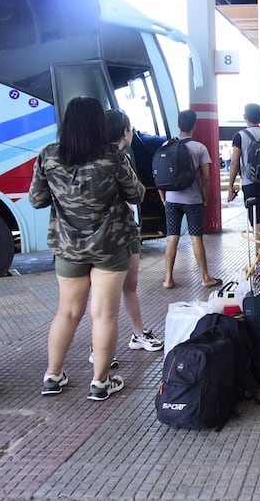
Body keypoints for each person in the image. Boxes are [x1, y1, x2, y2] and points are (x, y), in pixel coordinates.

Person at [29, 96, 144, 401]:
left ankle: (53, 376)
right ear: (97, 123)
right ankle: (100, 383)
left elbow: (37, 200)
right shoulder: (113, 157)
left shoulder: (49, 156)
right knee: (104, 314)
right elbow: (137, 195)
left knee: (66, 312)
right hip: (110, 247)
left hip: (68, 248)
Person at [103, 109, 162, 357]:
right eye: (130, 129)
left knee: (130, 286)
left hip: (123, 232)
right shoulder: (116, 159)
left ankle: (138, 333)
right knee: (108, 297)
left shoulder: (111, 157)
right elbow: (136, 194)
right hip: (113, 237)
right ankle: (102, 349)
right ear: (125, 132)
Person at [161, 110, 222, 289]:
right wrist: (204, 198)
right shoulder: (199, 148)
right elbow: (205, 178)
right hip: (193, 200)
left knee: (172, 236)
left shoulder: (166, 145)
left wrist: (164, 198)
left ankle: (168, 279)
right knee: (196, 238)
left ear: (179, 124)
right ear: (194, 125)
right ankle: (205, 277)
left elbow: (160, 175)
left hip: (171, 199)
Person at [228, 103, 260, 236]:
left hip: (250, 184)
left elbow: (234, 162)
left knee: (257, 223)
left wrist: (231, 186)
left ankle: (259, 255)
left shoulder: (240, 136)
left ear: (245, 116)